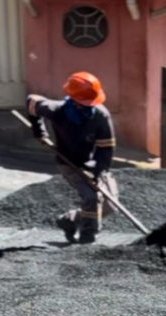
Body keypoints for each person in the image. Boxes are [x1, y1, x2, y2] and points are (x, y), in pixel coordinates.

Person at [25, 71, 118, 244]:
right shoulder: (57, 110)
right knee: (91, 198)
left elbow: (106, 148)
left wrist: (98, 173)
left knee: (109, 205)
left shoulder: (100, 115)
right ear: (74, 99)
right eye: (86, 103)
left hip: (94, 163)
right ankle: (87, 237)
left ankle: (69, 220)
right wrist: (39, 131)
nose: (91, 106)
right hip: (69, 162)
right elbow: (31, 101)